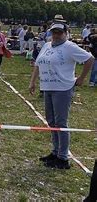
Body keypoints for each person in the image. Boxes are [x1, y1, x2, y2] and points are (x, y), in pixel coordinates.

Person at [29, 22, 94, 169]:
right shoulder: (47, 45)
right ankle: (55, 152)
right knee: (51, 122)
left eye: (59, 32)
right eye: (54, 32)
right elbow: (38, 64)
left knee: (61, 123)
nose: (56, 35)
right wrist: (33, 81)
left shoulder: (70, 47)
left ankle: (63, 158)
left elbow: (89, 59)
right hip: (47, 87)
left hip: (63, 88)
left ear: (66, 33)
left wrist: (82, 78)